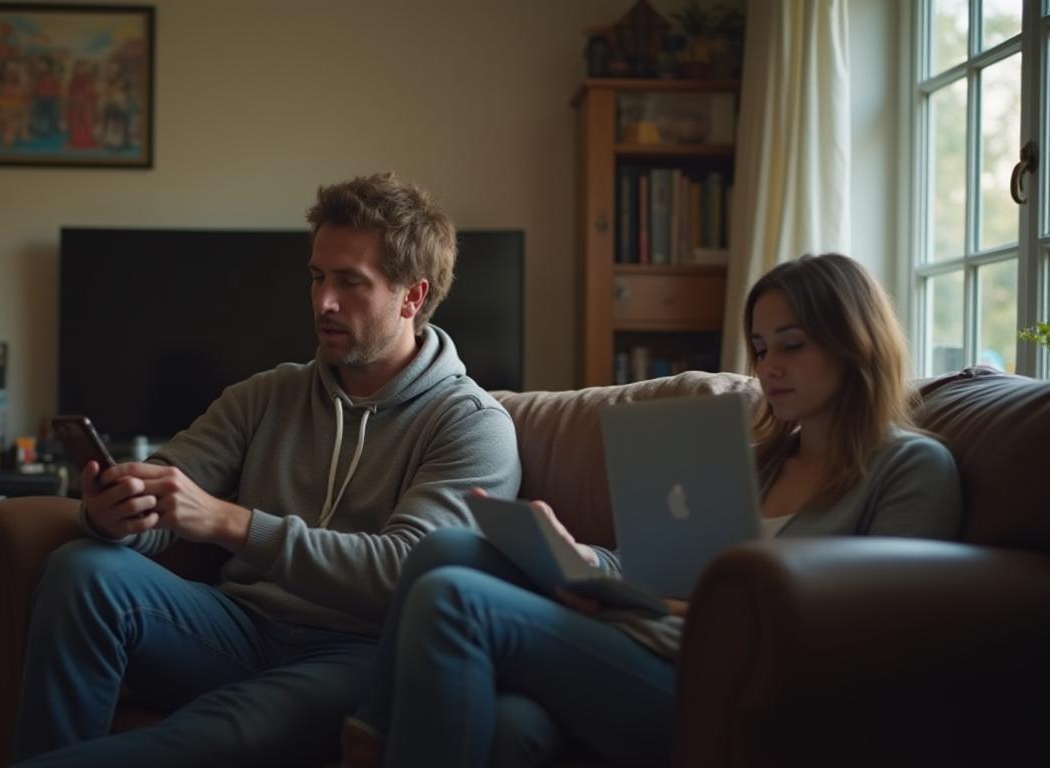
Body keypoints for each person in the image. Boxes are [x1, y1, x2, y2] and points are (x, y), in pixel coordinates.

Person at [343, 253, 963, 768]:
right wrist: (585, 559)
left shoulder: (912, 468)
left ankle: (366, 745)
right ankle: (370, 731)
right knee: (450, 555)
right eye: (760, 347)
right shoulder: (754, 461)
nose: (769, 367)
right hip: (655, 641)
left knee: (454, 599)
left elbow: (875, 637)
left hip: (738, 687)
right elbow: (662, 563)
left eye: (792, 345)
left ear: (855, 343)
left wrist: (679, 606)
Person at [14, 172, 521, 766]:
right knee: (82, 569)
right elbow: (166, 496)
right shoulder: (267, 394)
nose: (323, 302)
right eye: (317, 277)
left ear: (412, 297)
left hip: (359, 654)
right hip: (237, 628)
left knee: (222, 732)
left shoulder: (471, 424)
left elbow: (406, 575)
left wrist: (231, 523)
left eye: (350, 282)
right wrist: (115, 515)